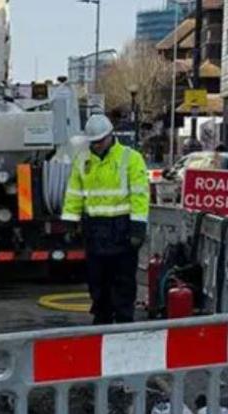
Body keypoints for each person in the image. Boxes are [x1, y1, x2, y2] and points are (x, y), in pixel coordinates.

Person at [63, 114, 150, 325]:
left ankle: (123, 321)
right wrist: (70, 221)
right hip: (95, 229)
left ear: (111, 136)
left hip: (122, 229)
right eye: (94, 142)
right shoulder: (82, 160)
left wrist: (138, 228)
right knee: (97, 281)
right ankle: (101, 317)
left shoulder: (130, 158)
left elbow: (140, 194)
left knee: (123, 281)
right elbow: (74, 192)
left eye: (101, 141)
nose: (98, 145)